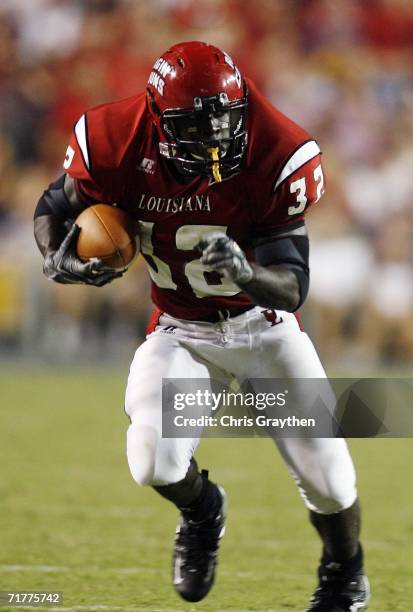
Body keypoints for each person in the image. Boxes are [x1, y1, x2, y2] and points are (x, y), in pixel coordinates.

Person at [33, 41, 370, 611]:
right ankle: (203, 509)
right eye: (197, 125)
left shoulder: (278, 148)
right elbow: (55, 205)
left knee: (331, 481)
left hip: (265, 328)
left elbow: (293, 286)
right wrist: (57, 257)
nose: (216, 136)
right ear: (157, 117)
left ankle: (344, 574)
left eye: (225, 119)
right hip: (181, 329)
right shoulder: (114, 138)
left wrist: (247, 273)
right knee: (152, 461)